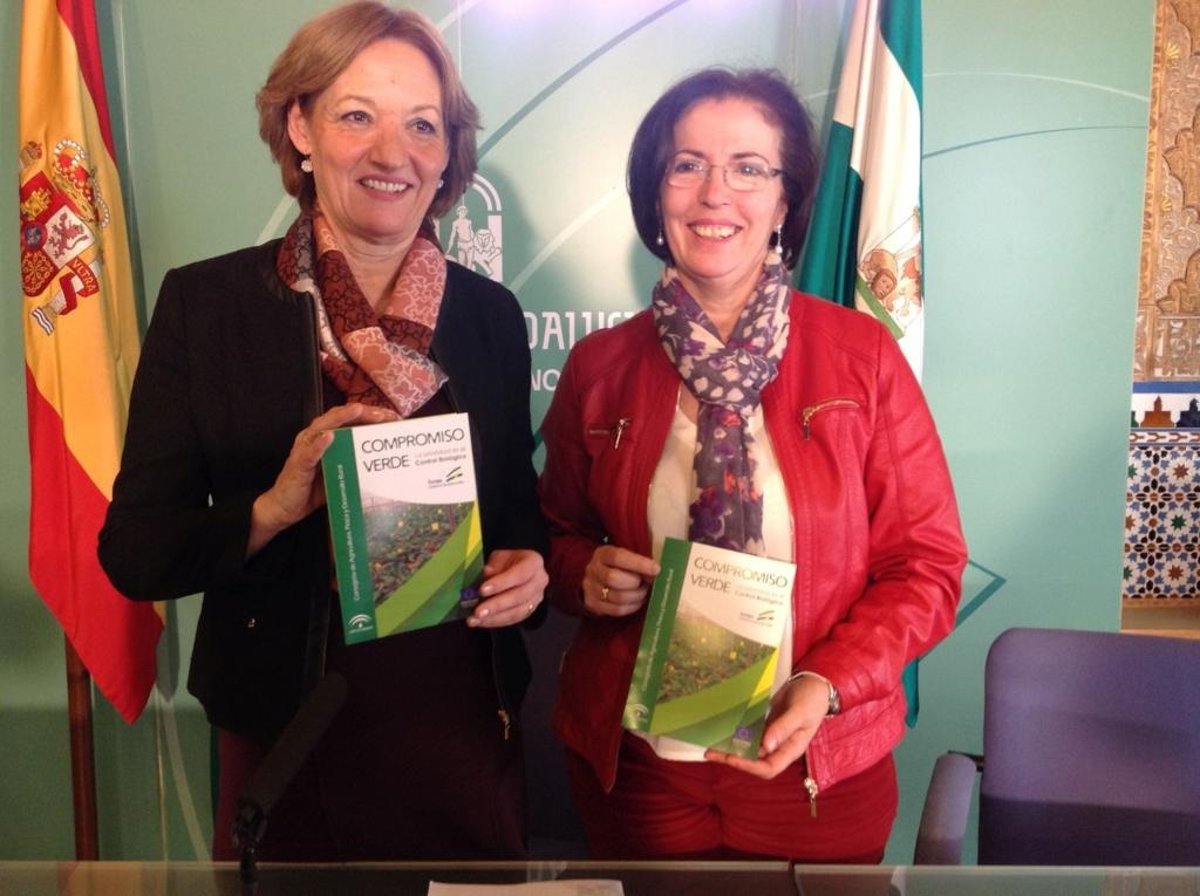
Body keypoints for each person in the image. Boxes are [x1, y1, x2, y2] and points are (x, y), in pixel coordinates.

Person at [98, 1, 547, 862]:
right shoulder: (208, 307)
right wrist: (269, 509)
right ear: (300, 128)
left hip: (459, 727)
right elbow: (137, 554)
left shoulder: (489, 315)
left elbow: (518, 515)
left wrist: (529, 568)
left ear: (448, 152)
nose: (392, 153)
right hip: (287, 733)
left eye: (422, 125)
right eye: (356, 117)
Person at [538, 68, 967, 863]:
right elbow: (555, 535)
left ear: (784, 200)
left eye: (747, 168)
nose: (715, 194)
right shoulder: (599, 365)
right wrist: (582, 574)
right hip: (641, 772)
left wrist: (829, 683)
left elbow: (928, 566)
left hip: (816, 769)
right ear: (655, 193)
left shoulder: (862, 358)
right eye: (687, 164)